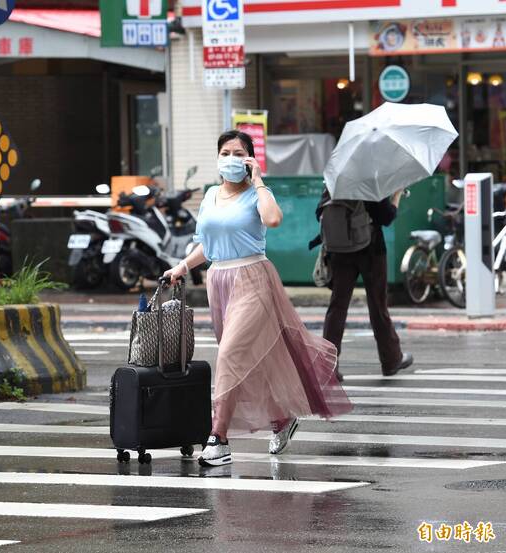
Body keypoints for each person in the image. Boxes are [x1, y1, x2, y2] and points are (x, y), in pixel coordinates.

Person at [163, 130, 352, 467]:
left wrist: (260, 181)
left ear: (250, 160)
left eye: (239, 153)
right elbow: (208, 243)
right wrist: (181, 266)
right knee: (249, 360)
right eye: (225, 152)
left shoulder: (256, 194)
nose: (231, 159)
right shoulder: (210, 195)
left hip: (253, 278)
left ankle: (218, 437)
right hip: (218, 280)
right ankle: (281, 419)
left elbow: (273, 219)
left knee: (231, 355)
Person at [318, 189, 413, 381]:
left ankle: (328, 367)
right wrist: (396, 197)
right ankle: (391, 359)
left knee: (337, 306)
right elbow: (385, 217)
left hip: (340, 251)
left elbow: (318, 212)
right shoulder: (369, 182)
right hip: (371, 250)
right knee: (378, 304)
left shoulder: (335, 180)